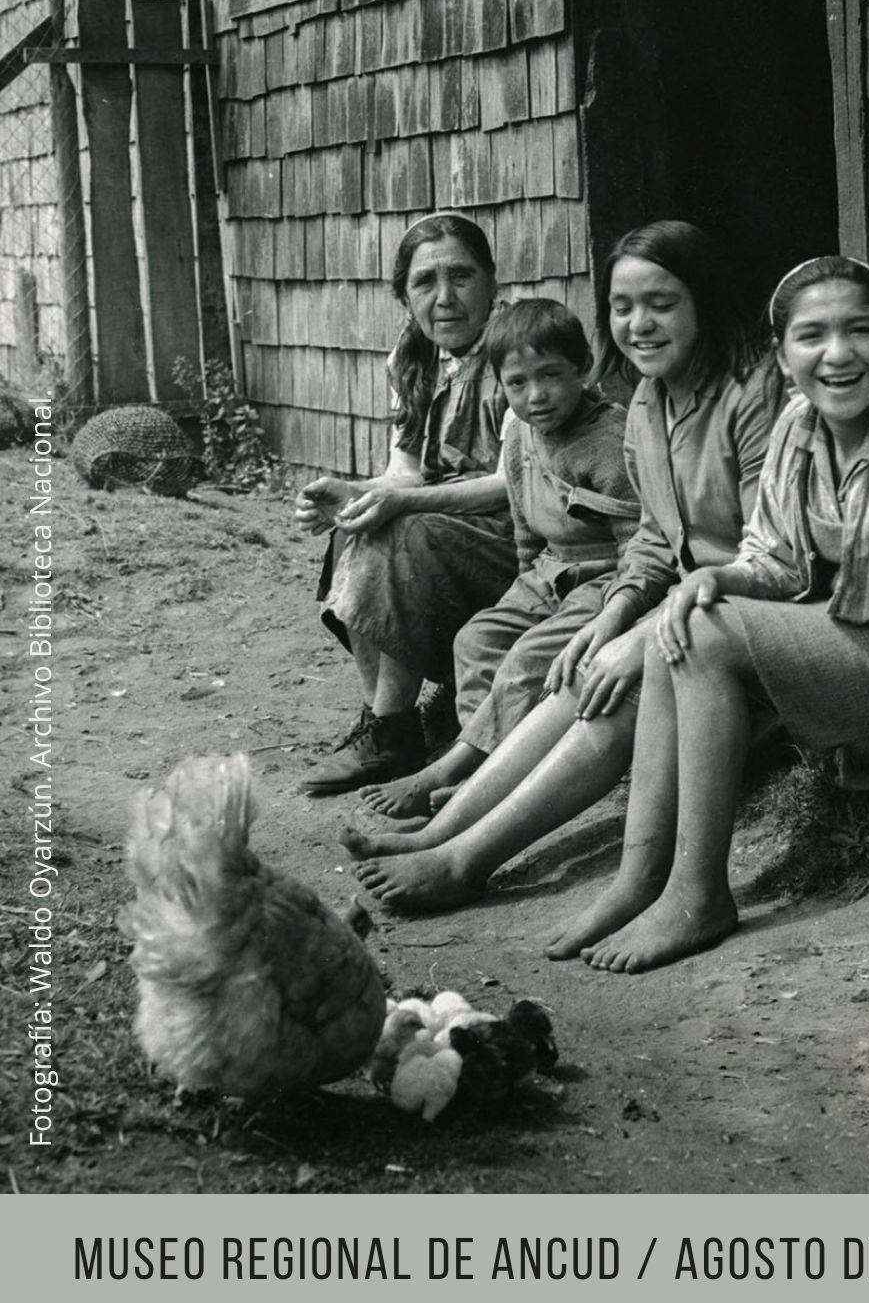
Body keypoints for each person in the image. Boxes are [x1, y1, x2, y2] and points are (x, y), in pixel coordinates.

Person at [560, 253, 869, 975]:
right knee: (688, 617)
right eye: (812, 336)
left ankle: (696, 896)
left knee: (705, 633)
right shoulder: (801, 426)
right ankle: (640, 879)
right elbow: (776, 560)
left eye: (860, 330)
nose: (837, 355)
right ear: (782, 354)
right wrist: (718, 577)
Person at [348, 219, 780, 920]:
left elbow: (772, 554)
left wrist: (635, 628)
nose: (639, 324)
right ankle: (445, 831)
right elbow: (653, 537)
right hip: (686, 608)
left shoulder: (751, 396)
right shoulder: (651, 399)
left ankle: (469, 858)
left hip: (746, 616)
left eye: (661, 303)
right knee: (576, 672)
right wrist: (611, 616)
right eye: (622, 306)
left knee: (610, 692)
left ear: (703, 300)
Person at [353, 296, 640, 821]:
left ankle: (456, 773)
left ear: (583, 368)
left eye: (550, 375)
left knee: (529, 659)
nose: (537, 396)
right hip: (548, 573)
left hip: (605, 577)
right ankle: (490, 766)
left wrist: (612, 605)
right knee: (478, 639)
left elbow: (636, 541)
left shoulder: (610, 439)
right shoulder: (521, 439)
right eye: (517, 384)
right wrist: (526, 591)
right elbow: (528, 533)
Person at [297, 213, 517, 796]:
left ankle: (392, 735)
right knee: (357, 525)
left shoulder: (516, 346)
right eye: (425, 282)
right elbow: (406, 474)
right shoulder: (413, 357)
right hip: (449, 528)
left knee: (401, 529)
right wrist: (353, 493)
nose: (445, 298)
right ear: (403, 294)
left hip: (517, 537)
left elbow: (511, 484)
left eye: (461, 276)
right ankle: (383, 724)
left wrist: (398, 503)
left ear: (493, 281)